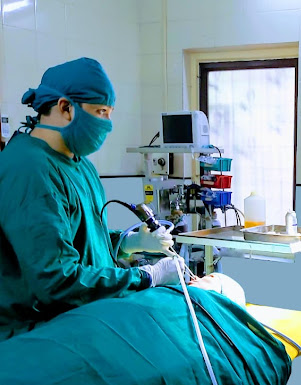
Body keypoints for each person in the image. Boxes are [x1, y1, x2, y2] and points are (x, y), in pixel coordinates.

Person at [0, 57, 184, 341]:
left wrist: (128, 243)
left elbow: (80, 241)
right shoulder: (30, 170)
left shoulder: (80, 164)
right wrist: (148, 276)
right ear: (65, 107)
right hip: (37, 333)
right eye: (100, 112)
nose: (107, 123)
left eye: (110, 113)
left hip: (85, 314)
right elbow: (56, 279)